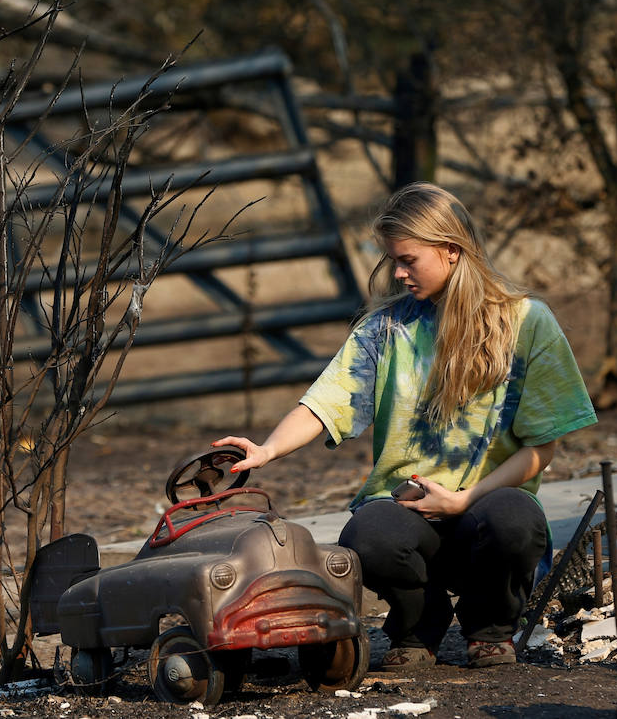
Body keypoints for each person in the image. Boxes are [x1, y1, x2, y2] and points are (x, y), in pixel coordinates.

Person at [214, 182, 597, 671]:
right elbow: (325, 402)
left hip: (486, 507)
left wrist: (463, 499)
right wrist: (267, 450)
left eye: (409, 259)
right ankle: (418, 628)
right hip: (409, 513)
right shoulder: (386, 328)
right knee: (368, 535)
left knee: (515, 520)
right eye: (394, 259)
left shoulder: (527, 322)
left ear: (451, 252)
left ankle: (491, 630)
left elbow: (543, 448)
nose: (398, 272)